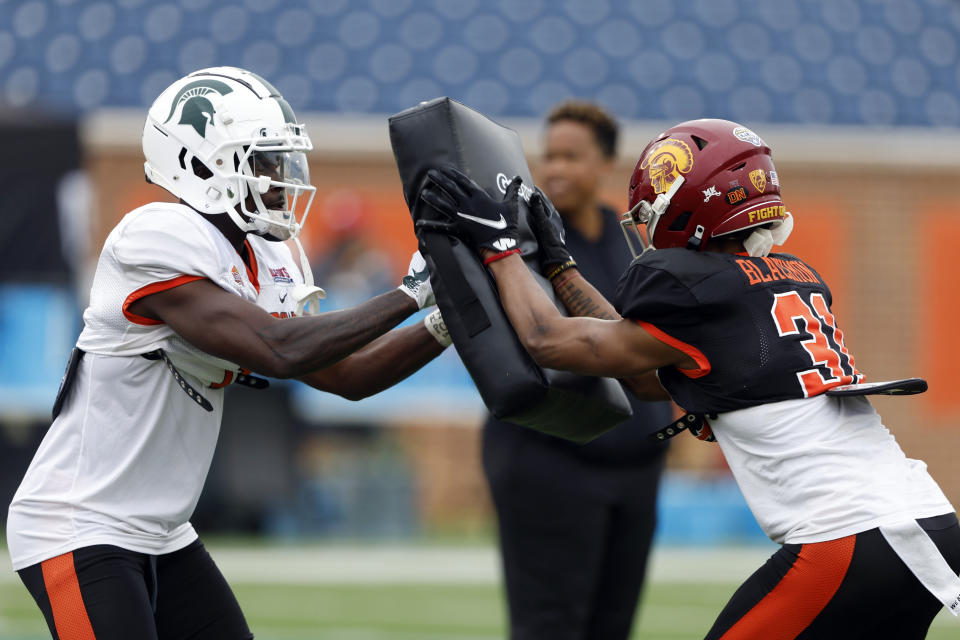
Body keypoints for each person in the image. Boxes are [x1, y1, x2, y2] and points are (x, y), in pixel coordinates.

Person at [419, 118, 960, 639]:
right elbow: (644, 374)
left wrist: (499, 246)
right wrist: (562, 264)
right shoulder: (787, 280)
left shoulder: (702, 290)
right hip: (928, 520)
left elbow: (548, 340)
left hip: (846, 537)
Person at [6, 66, 452, 640]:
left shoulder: (267, 256)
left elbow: (347, 374)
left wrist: (445, 322)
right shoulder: (156, 235)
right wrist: (414, 289)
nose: (279, 179)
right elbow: (279, 349)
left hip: (163, 531)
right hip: (79, 526)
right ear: (197, 163)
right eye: (263, 162)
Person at [480, 101, 671, 640]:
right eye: (550, 156)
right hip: (550, 461)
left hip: (636, 465)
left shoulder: (633, 239)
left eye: (572, 156)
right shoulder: (523, 240)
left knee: (613, 626)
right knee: (552, 627)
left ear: (608, 163)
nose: (557, 169)